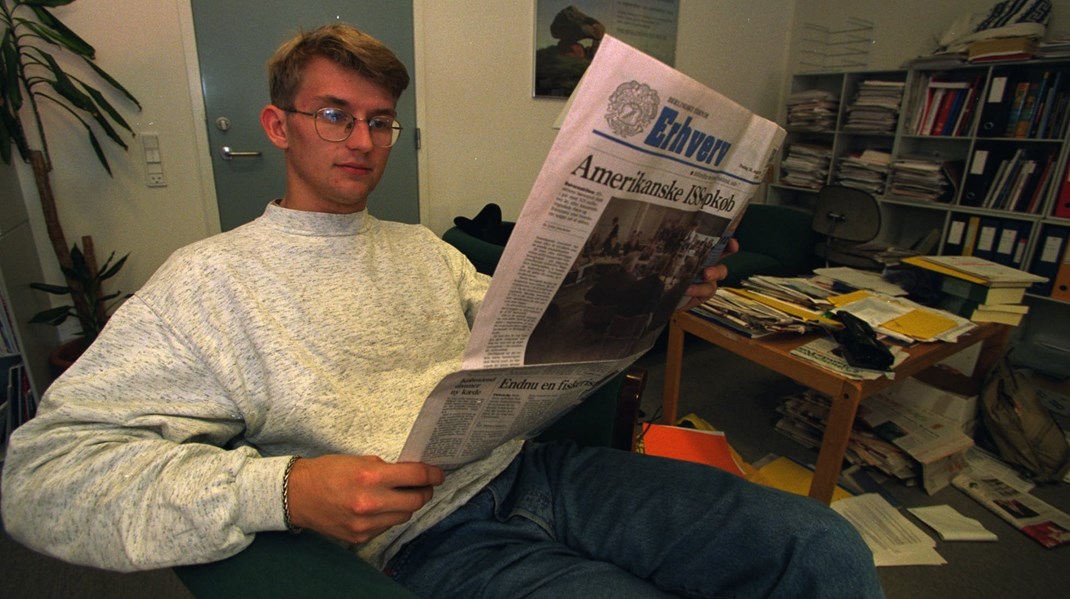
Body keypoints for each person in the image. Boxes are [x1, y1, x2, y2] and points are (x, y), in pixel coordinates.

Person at [1, 24, 884, 598]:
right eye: (334, 115)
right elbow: (39, 478)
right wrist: (282, 488)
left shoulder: (427, 248)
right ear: (277, 126)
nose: (360, 141)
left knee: (821, 548)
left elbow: (534, 354)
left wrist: (653, 299)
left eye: (380, 122)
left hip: (538, 472)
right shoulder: (207, 283)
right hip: (423, 539)